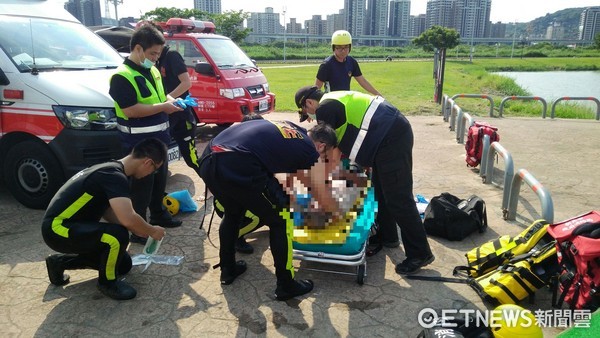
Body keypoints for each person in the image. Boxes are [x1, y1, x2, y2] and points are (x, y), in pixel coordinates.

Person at [294, 85, 435, 275]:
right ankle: (388, 236)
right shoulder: (335, 97)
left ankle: (420, 253)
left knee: (398, 198)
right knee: (380, 191)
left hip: (391, 138)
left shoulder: (325, 109)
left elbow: (332, 156)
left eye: (307, 112)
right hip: (387, 136)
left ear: (309, 103)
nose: (311, 118)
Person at [198, 119, 338, 300]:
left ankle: (228, 269)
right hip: (238, 162)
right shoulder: (309, 149)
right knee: (280, 219)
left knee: (233, 213)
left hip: (210, 158)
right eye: (325, 155)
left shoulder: (289, 127)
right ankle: (286, 285)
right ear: (321, 146)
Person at [41, 138, 168, 300]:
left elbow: (109, 212)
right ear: (148, 162)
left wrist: (138, 228)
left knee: (123, 264)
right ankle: (107, 283)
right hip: (58, 229)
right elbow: (128, 218)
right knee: (117, 236)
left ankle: (60, 263)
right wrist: (151, 230)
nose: (151, 174)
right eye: (155, 170)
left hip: (69, 226)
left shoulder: (111, 170)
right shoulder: (113, 175)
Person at [109, 23, 183, 245]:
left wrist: (175, 101)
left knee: (159, 182)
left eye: (159, 54)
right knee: (141, 188)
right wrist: (164, 107)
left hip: (159, 140)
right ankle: (138, 229)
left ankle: (159, 214)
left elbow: (161, 96)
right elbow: (131, 110)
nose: (156, 58)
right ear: (138, 49)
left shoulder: (151, 70)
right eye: (153, 53)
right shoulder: (121, 76)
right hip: (137, 143)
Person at [154, 24, 203, 180]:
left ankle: (213, 185)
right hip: (167, 115)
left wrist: (167, 98)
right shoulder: (155, 60)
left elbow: (186, 83)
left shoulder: (172, 56)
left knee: (191, 158)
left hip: (181, 116)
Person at [314, 30, 381, 96]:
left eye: (346, 47)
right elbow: (316, 89)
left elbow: (362, 81)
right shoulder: (326, 65)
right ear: (333, 48)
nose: (343, 51)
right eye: (339, 47)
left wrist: (378, 94)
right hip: (331, 101)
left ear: (350, 47)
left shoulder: (351, 62)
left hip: (345, 100)